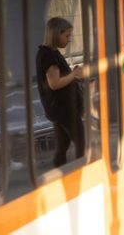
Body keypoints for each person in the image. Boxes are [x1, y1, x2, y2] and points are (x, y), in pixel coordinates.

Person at [36, 17, 85, 167]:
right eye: (67, 36)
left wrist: (72, 74)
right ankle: (81, 172)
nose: (69, 39)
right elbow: (55, 84)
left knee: (62, 145)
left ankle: (60, 172)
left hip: (58, 108)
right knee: (81, 143)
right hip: (63, 108)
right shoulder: (49, 56)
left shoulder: (48, 53)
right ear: (56, 34)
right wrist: (74, 74)